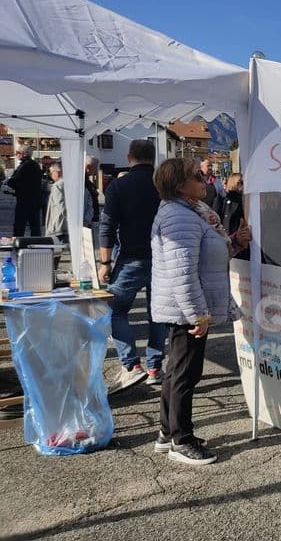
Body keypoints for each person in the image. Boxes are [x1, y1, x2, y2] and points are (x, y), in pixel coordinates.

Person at [150, 157, 250, 465]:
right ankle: (182, 438)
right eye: (198, 176)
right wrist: (198, 314)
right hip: (188, 309)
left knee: (178, 370)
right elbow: (183, 272)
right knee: (185, 373)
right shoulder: (179, 217)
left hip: (190, 306)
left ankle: (168, 433)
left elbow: (210, 253)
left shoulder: (192, 211)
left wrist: (234, 242)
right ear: (180, 185)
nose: (206, 180)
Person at [99, 140, 166, 390]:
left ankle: (131, 364)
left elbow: (107, 226)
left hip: (131, 258)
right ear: (153, 158)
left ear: (129, 158)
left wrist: (104, 262)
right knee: (157, 314)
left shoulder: (118, 185)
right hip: (162, 259)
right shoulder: (163, 185)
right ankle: (154, 367)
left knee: (113, 310)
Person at [7, 144, 42, 236]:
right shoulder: (35, 165)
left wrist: (15, 186)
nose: (16, 154)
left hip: (24, 200)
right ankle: (37, 244)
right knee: (34, 226)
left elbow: (13, 181)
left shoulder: (24, 166)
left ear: (25, 154)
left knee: (19, 226)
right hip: (35, 200)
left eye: (18, 152)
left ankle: (18, 245)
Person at [213, 173, 248, 259]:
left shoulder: (245, 200)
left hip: (241, 241)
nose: (243, 185)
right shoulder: (222, 200)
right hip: (228, 239)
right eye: (241, 182)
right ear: (234, 182)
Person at [44, 163, 68, 241]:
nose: (51, 175)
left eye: (51, 173)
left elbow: (60, 204)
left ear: (57, 172)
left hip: (58, 224)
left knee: (58, 249)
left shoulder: (57, 185)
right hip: (66, 225)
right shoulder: (70, 183)